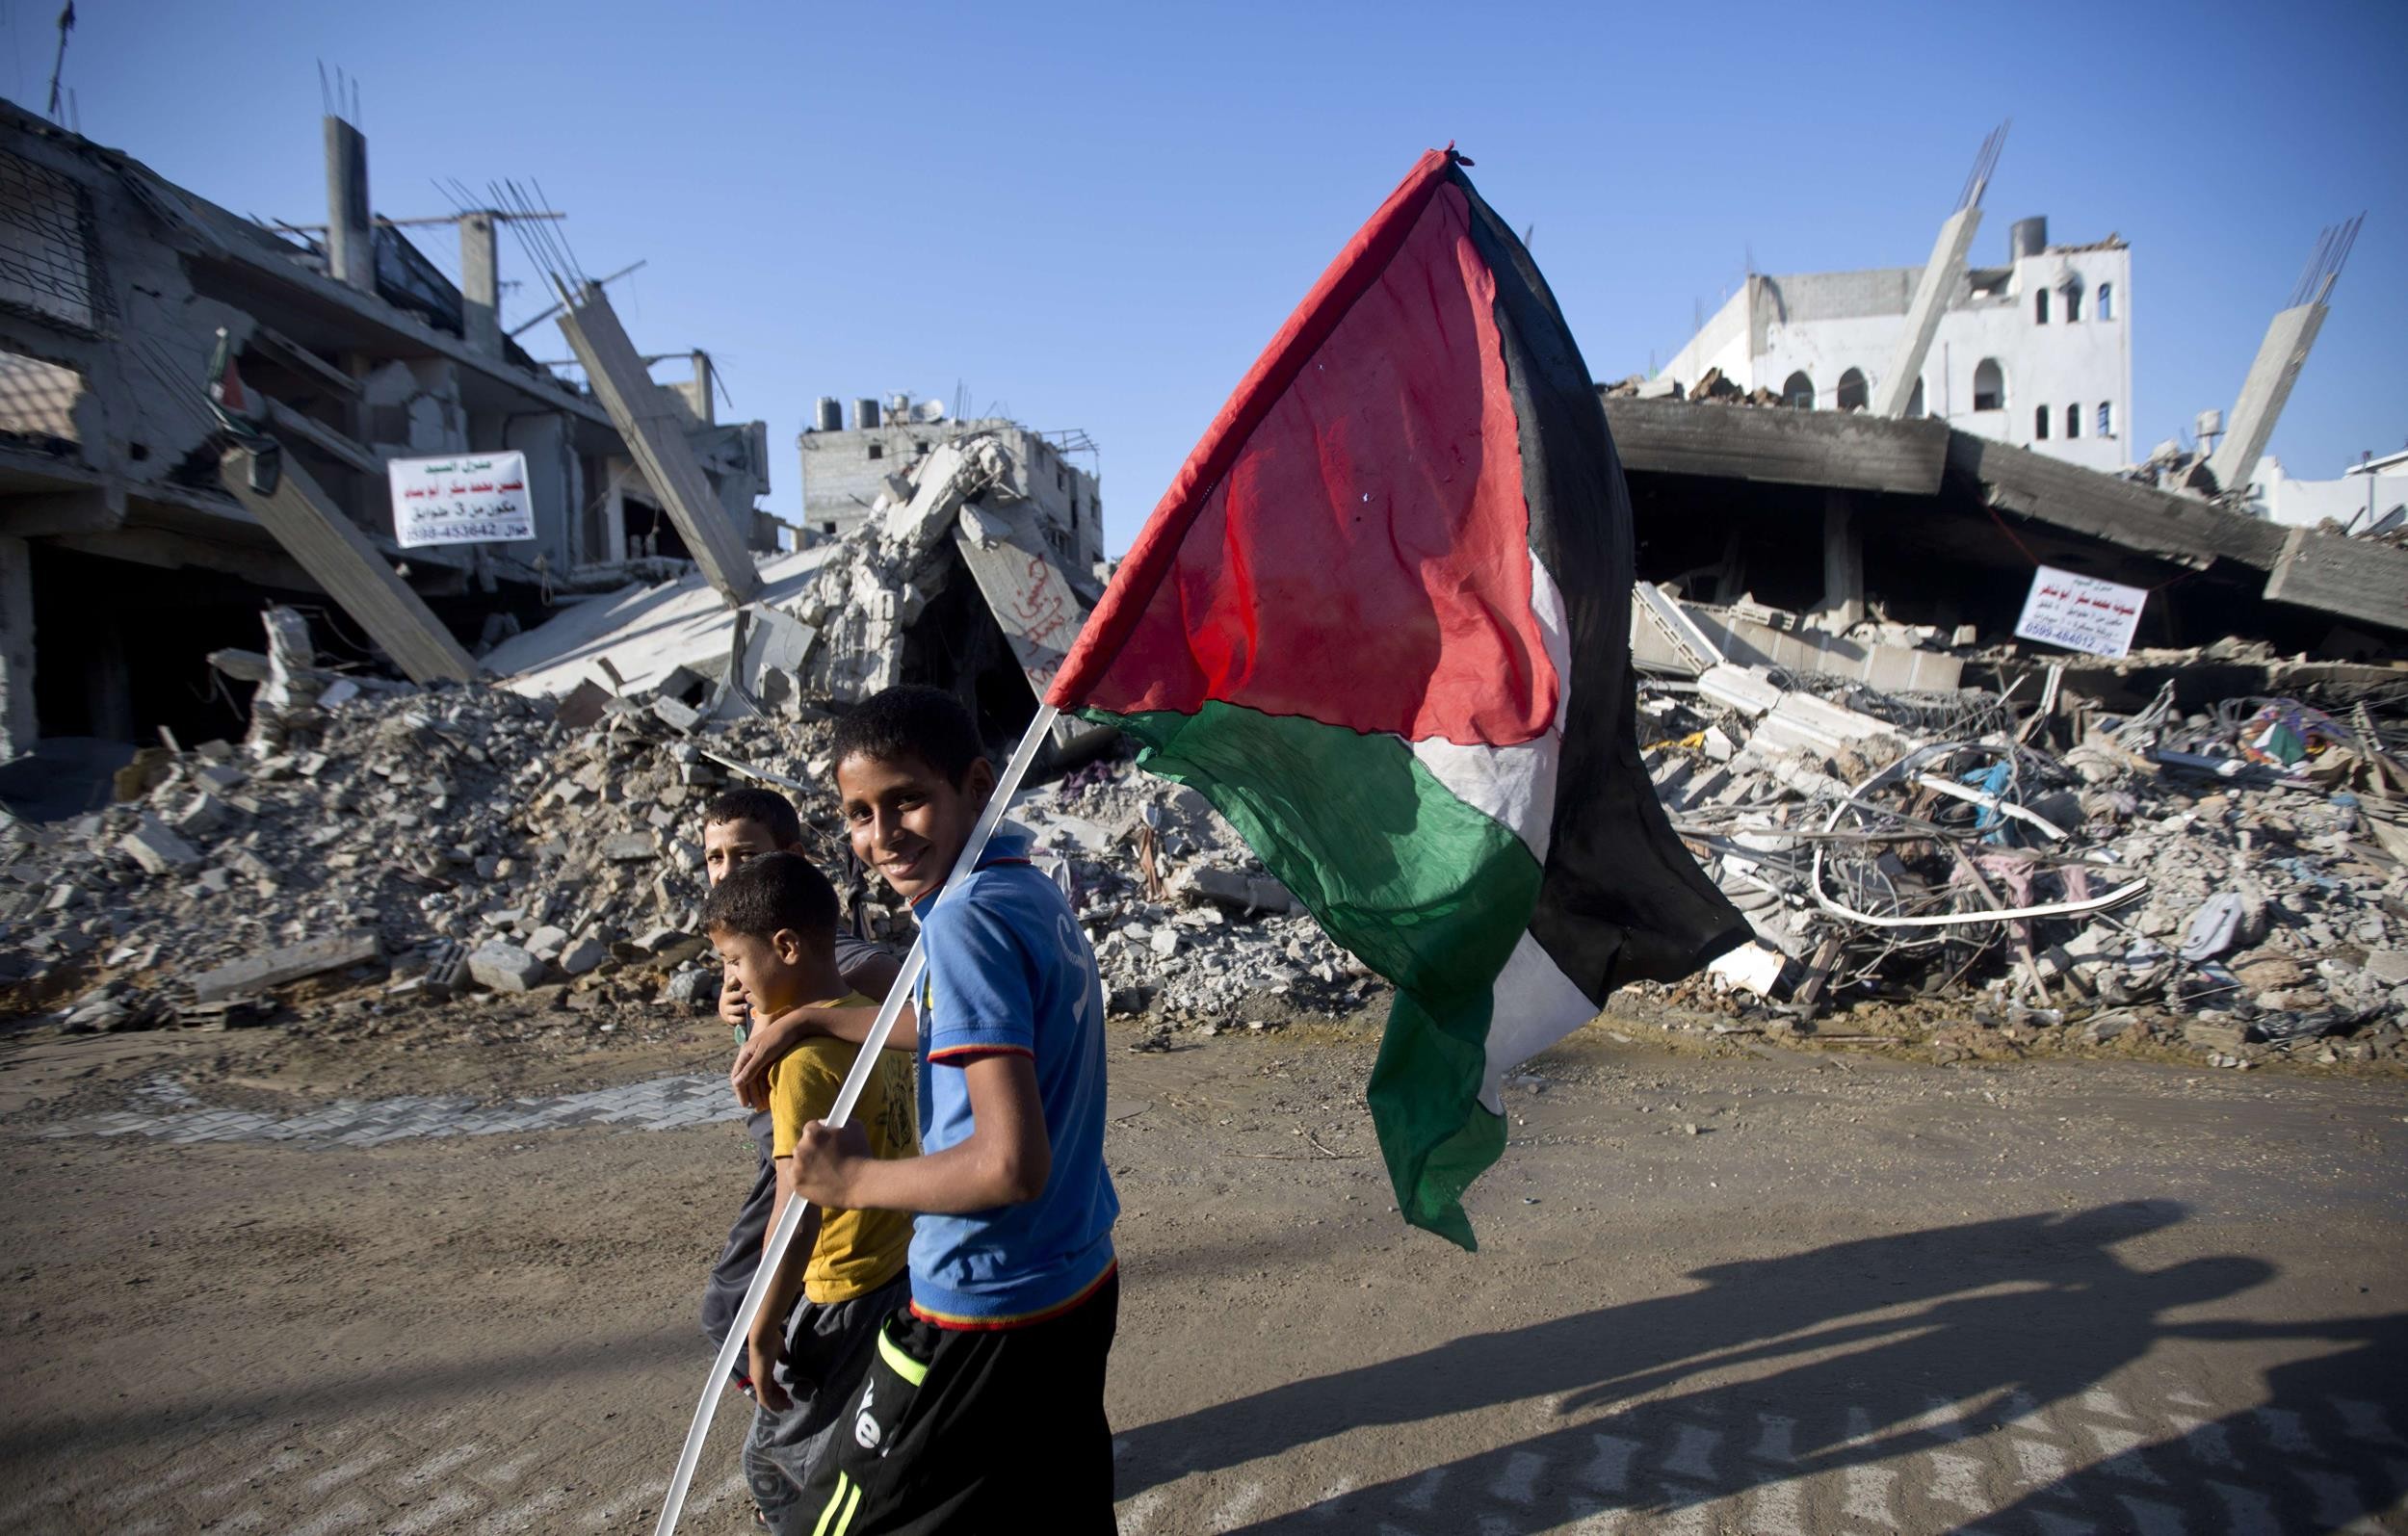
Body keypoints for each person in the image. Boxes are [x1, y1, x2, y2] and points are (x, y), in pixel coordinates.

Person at [740, 686, 1120, 1533]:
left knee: (836, 1520)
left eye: (906, 799)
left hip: (981, 1300)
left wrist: (851, 1179)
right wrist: (812, 1018)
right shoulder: (1025, 890)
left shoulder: (964, 922)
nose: (882, 835)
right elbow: (959, 1022)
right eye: (859, 813)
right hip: (1077, 1273)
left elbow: (1010, 1164)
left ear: (977, 786)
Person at [703, 851, 919, 1533]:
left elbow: (794, 1215)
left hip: (838, 1293)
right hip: (895, 1269)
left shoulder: (801, 1064)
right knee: (858, 1435)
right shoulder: (868, 1018)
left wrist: (764, 1325)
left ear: (787, 947)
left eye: (735, 962)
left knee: (777, 1466)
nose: (733, 981)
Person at [698, 789, 902, 1377]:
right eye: (715, 858)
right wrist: (740, 1006)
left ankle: (784, 1390)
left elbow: (901, 995)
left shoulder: (824, 955)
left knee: (733, 1310)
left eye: (745, 855)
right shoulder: (753, 949)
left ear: (791, 855)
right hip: (781, 1141)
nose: (727, 871)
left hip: (808, 1151)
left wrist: (803, 1017)